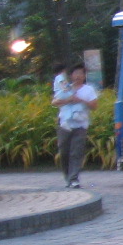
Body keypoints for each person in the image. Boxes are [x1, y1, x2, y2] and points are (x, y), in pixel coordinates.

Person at [52, 62, 98, 190]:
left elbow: (94, 106)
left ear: (84, 75)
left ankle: (74, 179)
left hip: (80, 125)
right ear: (71, 75)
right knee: (64, 152)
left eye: (80, 73)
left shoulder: (89, 89)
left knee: (76, 152)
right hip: (64, 124)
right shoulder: (66, 87)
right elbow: (54, 101)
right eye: (75, 73)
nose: (78, 76)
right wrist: (68, 100)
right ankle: (68, 177)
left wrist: (81, 101)